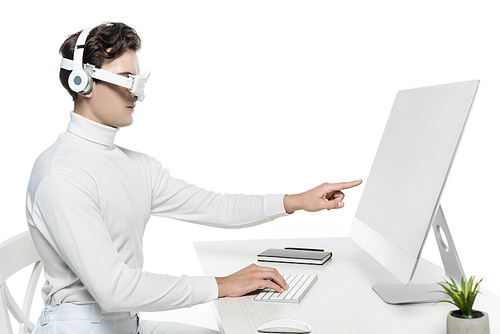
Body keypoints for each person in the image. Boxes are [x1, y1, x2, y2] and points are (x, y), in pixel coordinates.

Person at [26, 22, 362, 334]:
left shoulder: (136, 167)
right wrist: (220, 285)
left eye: (139, 80)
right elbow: (114, 289)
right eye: (126, 78)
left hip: (127, 323)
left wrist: (296, 201)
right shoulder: (62, 175)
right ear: (82, 82)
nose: (136, 93)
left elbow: (214, 206)